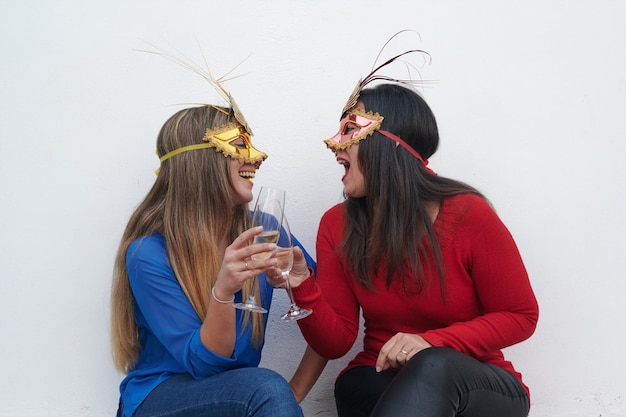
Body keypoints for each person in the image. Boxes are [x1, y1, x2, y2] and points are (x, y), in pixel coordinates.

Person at [277, 52, 540, 416]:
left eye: (349, 131)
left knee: (434, 364)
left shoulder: (468, 213)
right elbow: (336, 342)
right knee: (356, 383)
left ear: (386, 142)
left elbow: (520, 315)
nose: (335, 146)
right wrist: (303, 283)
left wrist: (430, 343)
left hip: (475, 384)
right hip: (380, 378)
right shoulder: (336, 224)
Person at [110, 98, 315, 417]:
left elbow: (331, 315)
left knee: (267, 390)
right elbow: (205, 365)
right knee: (265, 388)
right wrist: (223, 292)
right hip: (160, 398)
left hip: (237, 395)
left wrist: (297, 387)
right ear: (202, 161)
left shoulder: (264, 231)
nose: (257, 157)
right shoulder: (148, 253)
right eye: (239, 145)